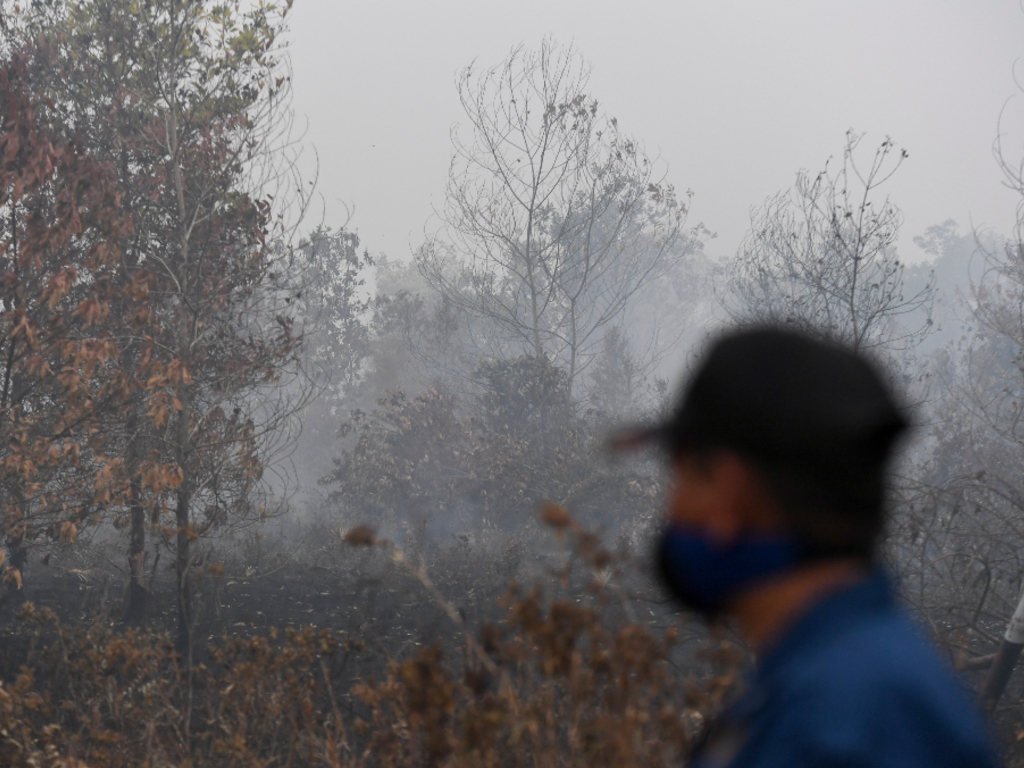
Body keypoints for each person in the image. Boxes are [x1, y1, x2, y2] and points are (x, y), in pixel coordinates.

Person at [620, 326, 999, 768]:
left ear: (727, 492)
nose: (671, 504)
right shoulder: (842, 682)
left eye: (681, 476)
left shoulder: (837, 724)